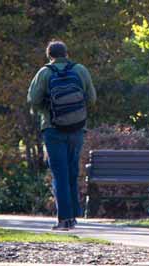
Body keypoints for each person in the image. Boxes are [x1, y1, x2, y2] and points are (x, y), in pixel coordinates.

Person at [27, 40, 97, 231]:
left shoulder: (45, 73)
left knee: (59, 173)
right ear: (67, 53)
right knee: (72, 171)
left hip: (52, 129)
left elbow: (32, 100)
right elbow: (92, 98)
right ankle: (73, 215)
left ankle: (64, 219)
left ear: (49, 56)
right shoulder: (80, 70)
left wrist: (47, 110)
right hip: (77, 129)